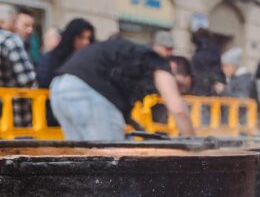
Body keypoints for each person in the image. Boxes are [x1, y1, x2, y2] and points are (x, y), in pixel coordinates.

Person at [50, 37, 193, 140]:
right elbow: (178, 110)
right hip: (87, 91)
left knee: (81, 159)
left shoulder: (134, 56)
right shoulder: (159, 63)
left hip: (58, 88)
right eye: (180, 88)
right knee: (109, 163)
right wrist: (195, 147)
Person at [36, 17, 93, 89]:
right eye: (81, 37)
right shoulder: (50, 58)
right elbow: (44, 82)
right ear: (71, 37)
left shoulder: (88, 61)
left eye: (89, 38)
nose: (86, 42)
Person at [190, 27, 225, 95]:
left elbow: (195, 71)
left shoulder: (198, 53)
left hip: (201, 87)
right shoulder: (215, 50)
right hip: (215, 83)